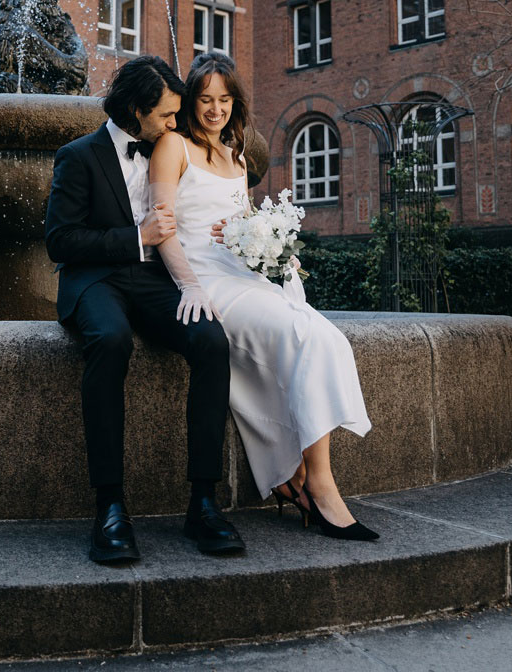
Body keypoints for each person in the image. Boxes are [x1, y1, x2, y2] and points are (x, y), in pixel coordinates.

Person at [147, 51, 377, 540]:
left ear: (236, 102)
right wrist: (187, 284)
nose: (215, 110)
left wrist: (275, 254)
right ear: (191, 100)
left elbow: (244, 224)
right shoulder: (172, 147)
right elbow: (161, 226)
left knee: (323, 336)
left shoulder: (235, 154)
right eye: (205, 99)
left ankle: (307, 478)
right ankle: (320, 484)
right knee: (300, 331)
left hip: (242, 274)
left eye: (224, 99)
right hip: (204, 281)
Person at [44, 55, 244, 564]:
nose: (175, 123)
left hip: (154, 281)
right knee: (110, 341)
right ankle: (109, 506)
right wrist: (135, 238)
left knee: (210, 340)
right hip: (96, 279)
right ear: (135, 111)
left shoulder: (170, 148)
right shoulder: (78, 156)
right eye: (165, 116)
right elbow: (61, 241)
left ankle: (203, 501)